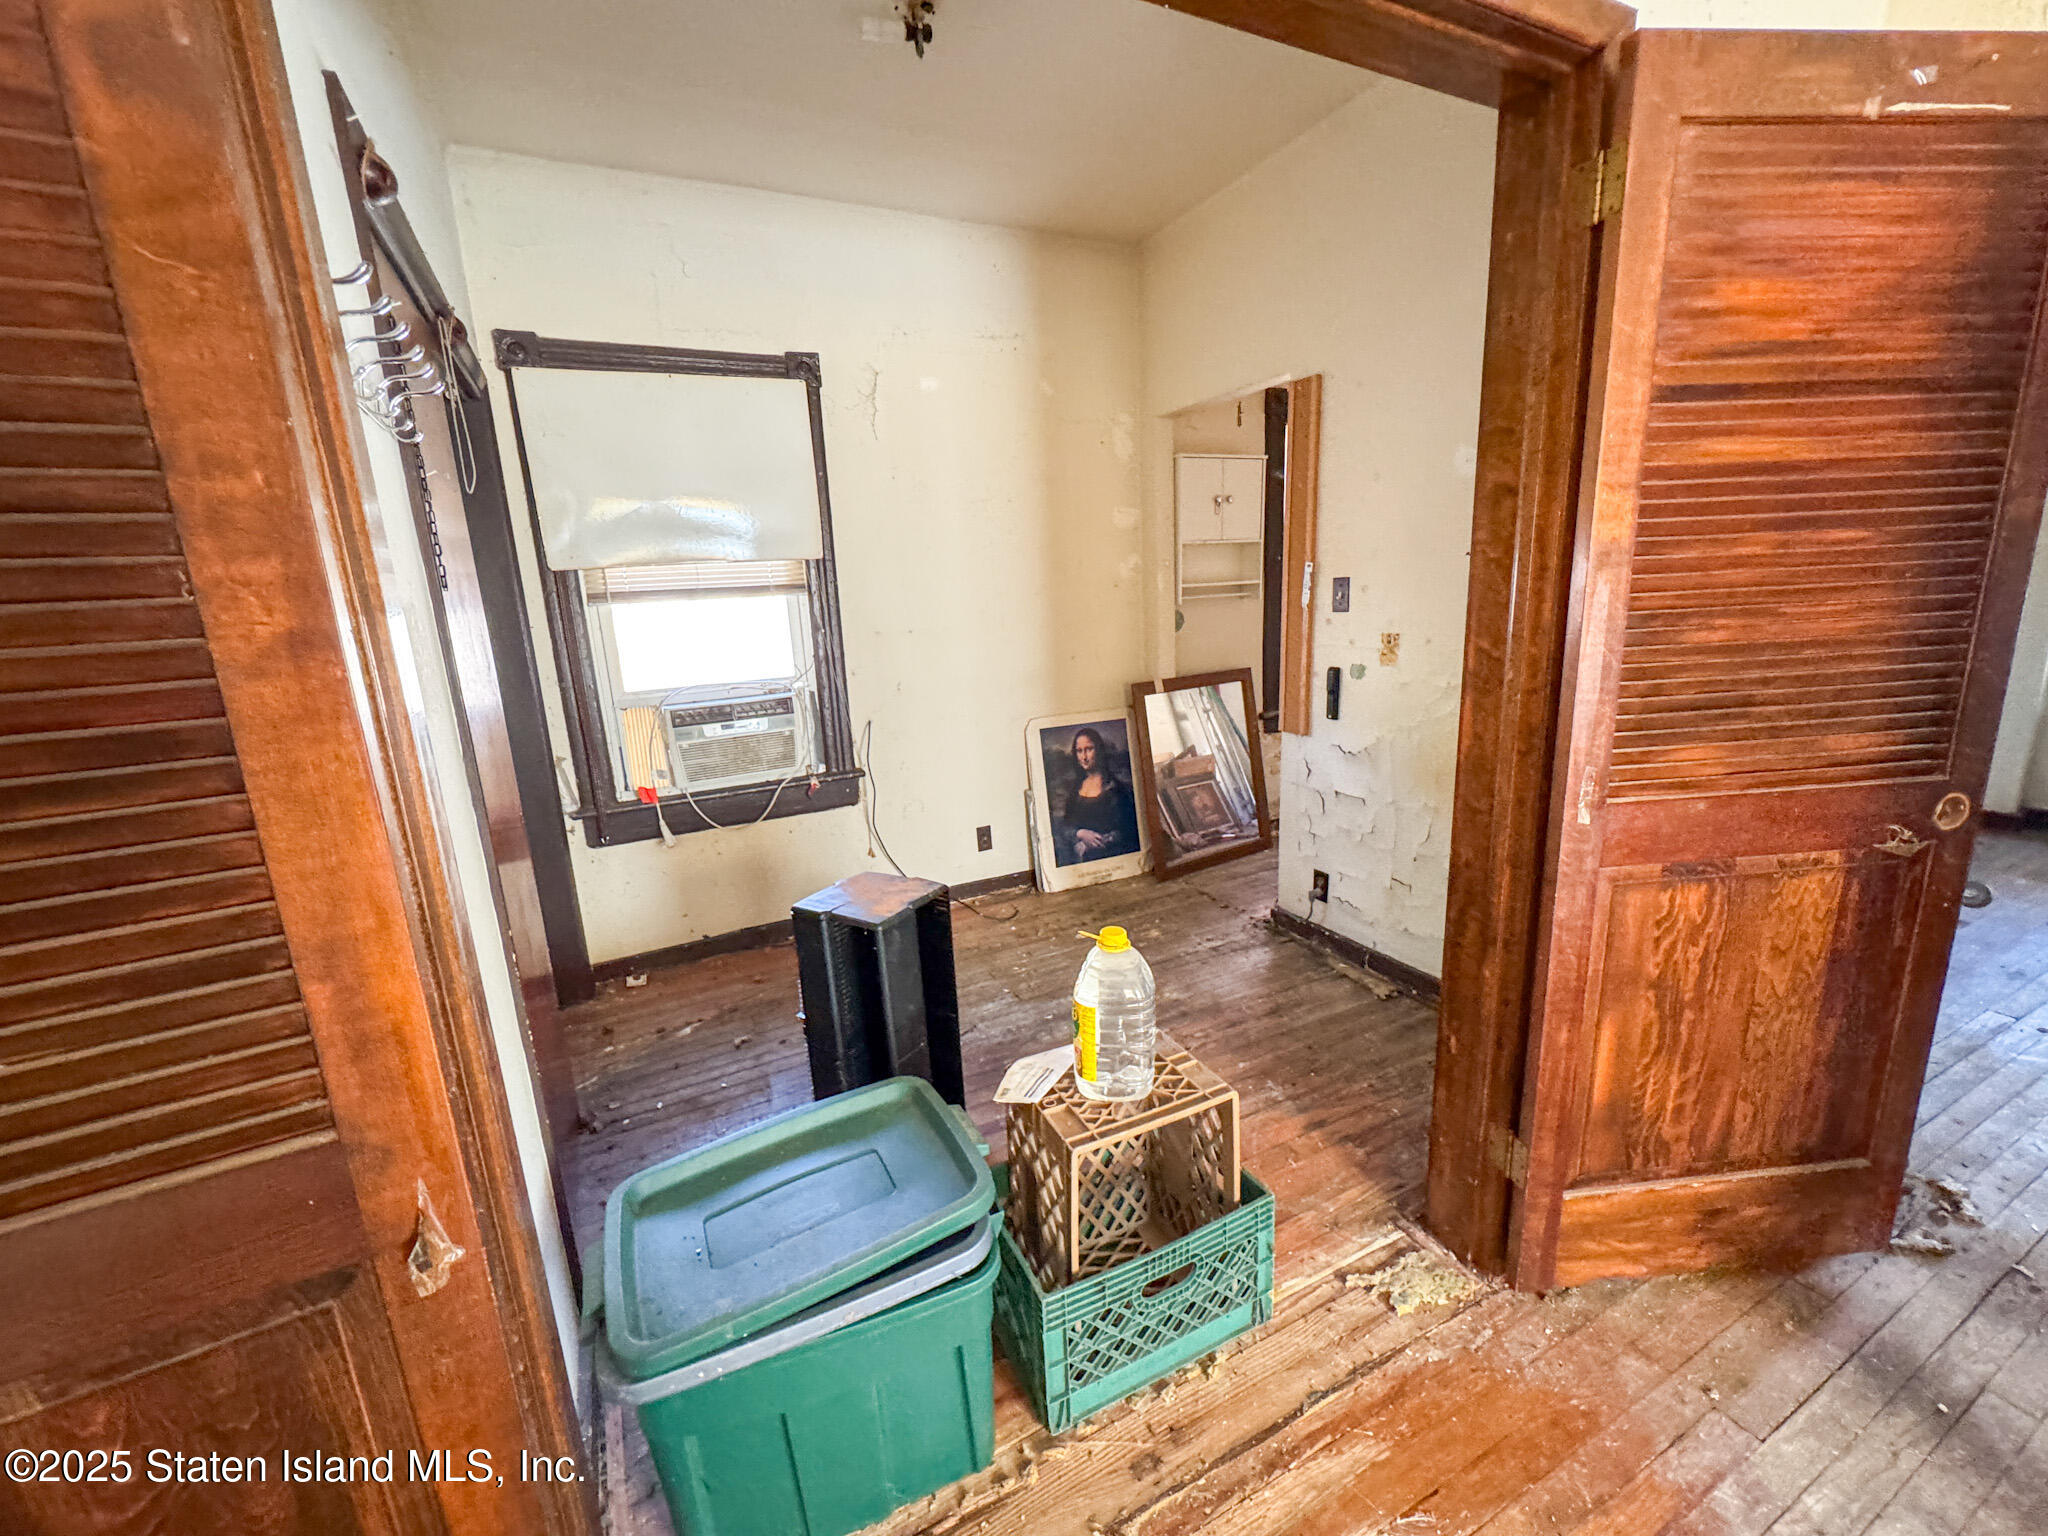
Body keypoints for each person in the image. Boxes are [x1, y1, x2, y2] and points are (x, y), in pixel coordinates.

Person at [1054, 726, 1140, 864]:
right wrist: (1080, 834)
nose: (1084, 757)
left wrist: (1100, 840)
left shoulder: (1117, 789)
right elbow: (1065, 825)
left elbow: (1129, 830)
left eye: (1089, 749)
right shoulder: (1075, 789)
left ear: (1099, 750)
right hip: (1083, 860)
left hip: (1113, 856)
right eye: (1079, 751)